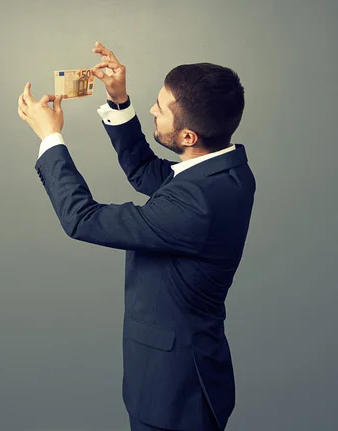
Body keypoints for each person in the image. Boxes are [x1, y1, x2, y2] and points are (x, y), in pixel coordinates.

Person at [19, 41, 256, 431]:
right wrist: (118, 99)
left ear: (188, 137)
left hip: (175, 393)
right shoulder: (226, 172)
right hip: (188, 376)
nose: (152, 110)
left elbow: (83, 219)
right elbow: (148, 174)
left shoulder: (195, 205)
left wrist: (50, 138)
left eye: (160, 110)